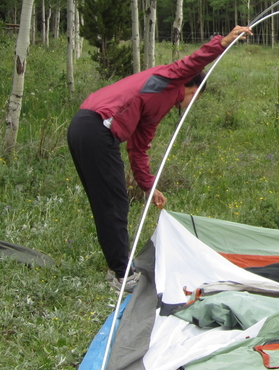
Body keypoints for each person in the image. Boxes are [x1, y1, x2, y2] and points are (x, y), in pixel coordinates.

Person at [68, 25, 252, 292]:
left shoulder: (157, 106)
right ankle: (122, 276)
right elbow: (193, 62)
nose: (192, 104)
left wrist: (149, 187)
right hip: (97, 127)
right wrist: (222, 42)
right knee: (113, 203)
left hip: (85, 127)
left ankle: (117, 270)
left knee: (109, 201)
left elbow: (138, 149)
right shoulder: (168, 78)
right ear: (191, 87)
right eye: (195, 98)